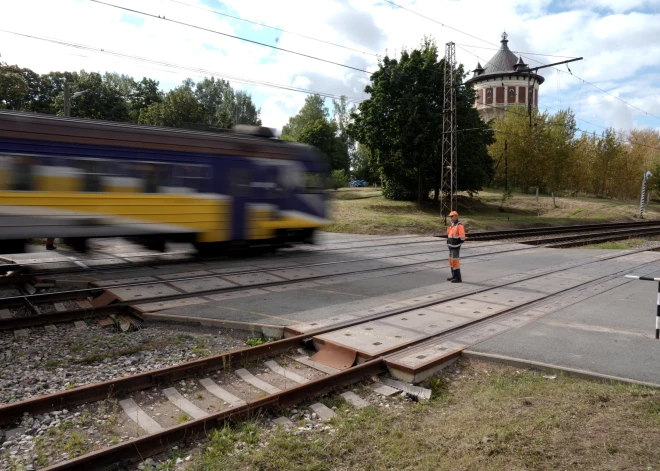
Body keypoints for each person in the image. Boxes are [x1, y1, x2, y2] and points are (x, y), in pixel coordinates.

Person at [446, 211, 466, 283]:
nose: (450, 218)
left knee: (455, 262)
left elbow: (462, 238)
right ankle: (454, 276)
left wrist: (457, 243)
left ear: (456, 216)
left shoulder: (459, 225)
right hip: (451, 246)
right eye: (450, 217)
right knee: (451, 261)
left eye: (452, 216)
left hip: (455, 247)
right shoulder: (453, 225)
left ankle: (458, 278)